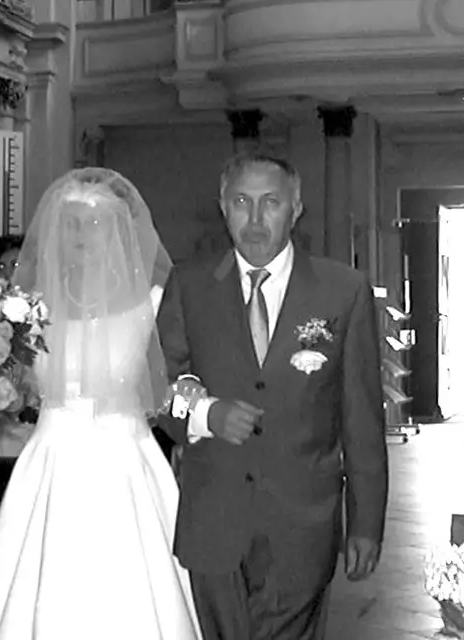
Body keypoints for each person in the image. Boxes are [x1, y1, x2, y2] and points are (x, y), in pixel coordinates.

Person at [157, 153, 387, 640]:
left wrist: (365, 522)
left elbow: (362, 419)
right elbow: (159, 388)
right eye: (242, 202)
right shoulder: (190, 285)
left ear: (296, 207)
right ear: (223, 206)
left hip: (302, 522)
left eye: (271, 203)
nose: (255, 219)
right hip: (214, 521)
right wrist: (205, 416)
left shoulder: (341, 292)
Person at [0, 169, 201, 639]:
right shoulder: (28, 309)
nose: (80, 234)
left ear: (118, 229)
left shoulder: (152, 303)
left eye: (93, 222)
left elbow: (179, 379)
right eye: (70, 222)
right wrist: (4, 389)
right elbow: (9, 387)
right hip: (51, 459)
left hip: (127, 463)